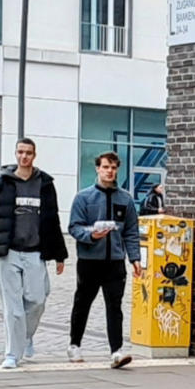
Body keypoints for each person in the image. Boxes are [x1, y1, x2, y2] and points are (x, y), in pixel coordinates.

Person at [0, 138, 66, 370]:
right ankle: (12, 354)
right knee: (12, 307)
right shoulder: (0, 184)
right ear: (16, 154)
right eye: (20, 152)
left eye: (29, 153)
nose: (24, 156)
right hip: (8, 252)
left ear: (34, 156)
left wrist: (60, 255)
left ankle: (25, 335)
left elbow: (52, 219)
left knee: (38, 300)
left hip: (36, 252)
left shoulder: (44, 184)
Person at [66, 150, 142, 368]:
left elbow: (131, 231)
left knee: (114, 305)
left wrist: (135, 258)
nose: (110, 171)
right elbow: (73, 227)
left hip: (115, 261)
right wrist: (91, 235)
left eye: (114, 168)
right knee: (83, 302)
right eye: (106, 167)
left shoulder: (125, 199)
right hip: (90, 260)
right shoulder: (84, 197)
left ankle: (116, 351)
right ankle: (74, 344)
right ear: (98, 169)